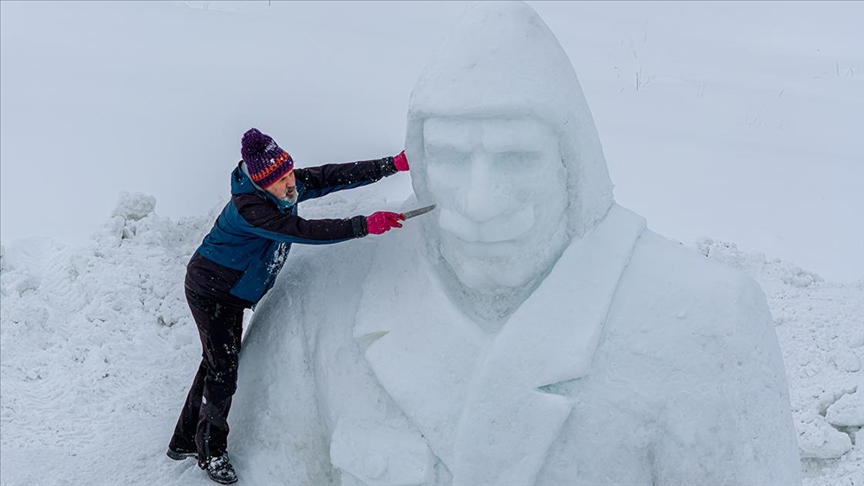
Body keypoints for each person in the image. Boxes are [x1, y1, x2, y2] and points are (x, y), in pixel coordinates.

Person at [232, 3, 801, 486]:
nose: (479, 203)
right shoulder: (319, 301)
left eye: (516, 157)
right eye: (452, 158)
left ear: (570, 166)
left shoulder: (706, 325)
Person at [166, 127, 409, 484]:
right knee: (223, 370)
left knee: (216, 361)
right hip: (211, 291)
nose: (290, 184)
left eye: (289, 173)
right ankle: (210, 453)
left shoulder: (283, 184)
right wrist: (362, 225)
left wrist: (392, 165)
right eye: (280, 180)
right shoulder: (251, 210)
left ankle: (184, 439)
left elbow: (331, 176)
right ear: (261, 184)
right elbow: (302, 231)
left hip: (229, 289)